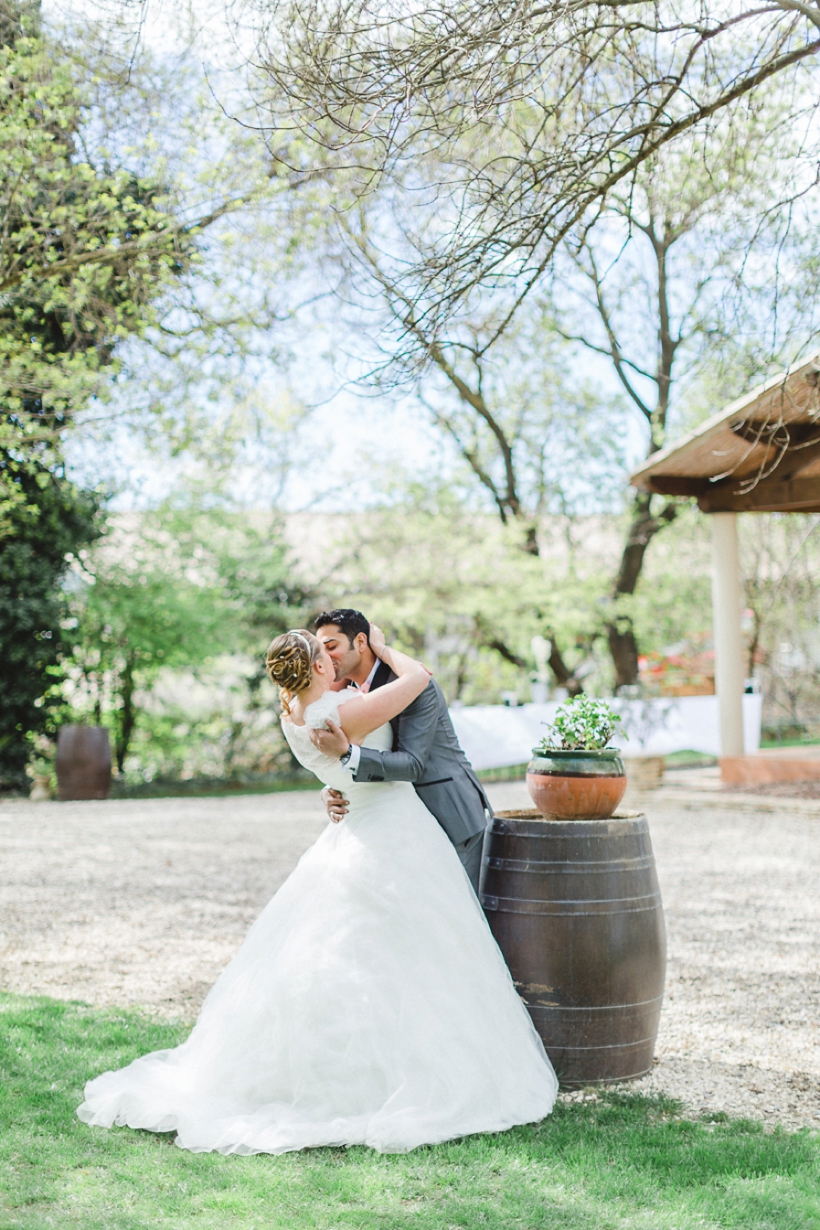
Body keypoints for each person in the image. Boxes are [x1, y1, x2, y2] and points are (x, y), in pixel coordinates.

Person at [76, 626, 557, 1155]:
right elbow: (419, 679)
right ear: (318, 668)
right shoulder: (341, 713)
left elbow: (346, 767)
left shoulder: (292, 717)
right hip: (392, 833)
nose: (331, 657)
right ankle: (400, 1079)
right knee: (412, 953)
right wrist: (381, 641)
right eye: (322, 652)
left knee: (355, 953)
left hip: (358, 829)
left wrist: (340, 782)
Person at [310, 609, 490, 893]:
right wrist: (332, 787)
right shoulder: (349, 694)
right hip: (401, 823)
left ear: (360, 642)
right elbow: (372, 748)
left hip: (448, 813)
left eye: (332, 647)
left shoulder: (412, 683)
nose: (326, 656)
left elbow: (412, 764)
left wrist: (348, 755)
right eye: (321, 650)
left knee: (463, 914)